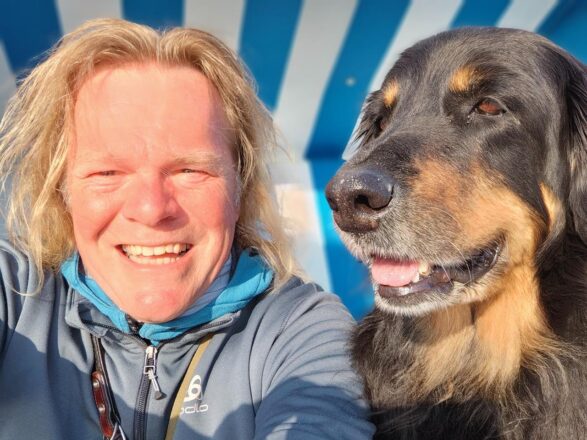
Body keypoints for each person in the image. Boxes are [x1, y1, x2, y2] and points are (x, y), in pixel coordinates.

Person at [0, 18, 374, 440]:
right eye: (107, 172)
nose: (151, 208)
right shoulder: (19, 296)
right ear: (62, 192)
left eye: (189, 169)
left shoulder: (298, 330)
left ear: (240, 186)